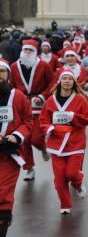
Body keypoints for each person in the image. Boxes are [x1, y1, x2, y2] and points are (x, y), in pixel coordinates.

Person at [39, 70, 88, 214]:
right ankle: (65, 205)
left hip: (75, 143)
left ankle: (79, 183)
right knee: (59, 178)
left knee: (71, 173)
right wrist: (48, 128)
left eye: (70, 79)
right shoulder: (51, 100)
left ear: (74, 82)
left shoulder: (80, 99)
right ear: (60, 82)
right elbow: (43, 119)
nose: (67, 81)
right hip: (56, 144)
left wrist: (73, 116)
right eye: (64, 79)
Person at [9, 39, 54, 181]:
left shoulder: (44, 66)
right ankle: (29, 168)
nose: (27, 53)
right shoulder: (14, 66)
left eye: (31, 50)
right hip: (21, 105)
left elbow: (52, 83)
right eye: (26, 50)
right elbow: (12, 85)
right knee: (24, 140)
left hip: (39, 106)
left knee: (35, 138)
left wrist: (42, 96)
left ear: (36, 52)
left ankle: (43, 147)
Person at [0, 58, 33, 237]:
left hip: (8, 154)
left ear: (8, 74)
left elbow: (28, 120)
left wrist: (16, 135)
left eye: (2, 72)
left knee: (3, 192)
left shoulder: (18, 96)